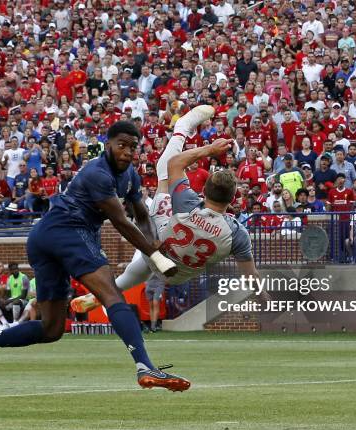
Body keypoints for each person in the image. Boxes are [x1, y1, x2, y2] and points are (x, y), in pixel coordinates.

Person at [0, 120, 187, 392]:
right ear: (108, 145)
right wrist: (156, 256)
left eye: (133, 147)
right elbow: (121, 221)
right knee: (112, 296)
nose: (127, 152)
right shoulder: (98, 173)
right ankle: (145, 367)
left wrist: (153, 244)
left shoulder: (131, 176)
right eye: (122, 145)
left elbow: (140, 215)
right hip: (68, 231)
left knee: (51, 328)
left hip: (45, 236)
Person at [72, 106, 263, 330]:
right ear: (232, 199)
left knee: (164, 174)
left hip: (159, 250)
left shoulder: (188, 203)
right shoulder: (237, 232)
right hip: (177, 275)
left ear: (204, 191)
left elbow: (175, 164)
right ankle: (106, 292)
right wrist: (264, 298)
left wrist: (209, 149)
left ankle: (181, 129)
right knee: (145, 264)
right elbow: (250, 277)